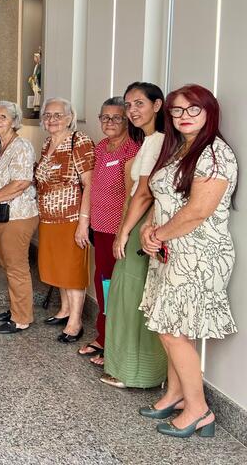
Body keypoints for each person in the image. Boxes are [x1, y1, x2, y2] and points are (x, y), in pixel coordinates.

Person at [138, 84, 237, 438]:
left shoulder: (214, 154)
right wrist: (149, 229)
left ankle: (200, 411)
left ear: (209, 112)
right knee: (170, 326)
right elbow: (161, 196)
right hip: (171, 249)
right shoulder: (181, 147)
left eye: (193, 110)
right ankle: (177, 394)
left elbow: (198, 212)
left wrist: (158, 234)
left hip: (199, 254)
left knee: (174, 331)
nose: (184, 117)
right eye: (178, 111)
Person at [102, 82, 167, 388]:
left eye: (139, 103)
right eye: (129, 105)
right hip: (141, 222)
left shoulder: (157, 142)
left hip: (140, 225)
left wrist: (123, 233)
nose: (132, 111)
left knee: (129, 297)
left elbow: (143, 194)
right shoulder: (152, 140)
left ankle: (133, 373)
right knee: (130, 296)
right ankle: (136, 370)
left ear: (157, 105)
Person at [81, 98, 140, 361]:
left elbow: (132, 195)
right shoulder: (102, 146)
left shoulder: (132, 150)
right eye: (104, 117)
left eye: (116, 117)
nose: (109, 122)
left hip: (118, 233)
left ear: (127, 121)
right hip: (99, 229)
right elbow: (92, 187)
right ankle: (104, 337)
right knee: (103, 283)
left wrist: (122, 232)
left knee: (115, 288)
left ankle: (113, 346)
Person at [34, 98, 94, 343]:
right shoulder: (48, 143)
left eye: (58, 115)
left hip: (71, 217)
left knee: (72, 269)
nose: (52, 119)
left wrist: (84, 222)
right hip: (48, 218)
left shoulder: (79, 140)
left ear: (70, 117)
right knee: (58, 267)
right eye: (48, 115)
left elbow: (89, 183)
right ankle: (65, 309)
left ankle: (75, 321)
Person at [0, 101, 38, 334]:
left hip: (18, 216)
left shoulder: (21, 145)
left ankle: (22, 318)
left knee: (16, 268)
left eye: (3, 117)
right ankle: (16, 309)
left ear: (14, 121)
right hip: (3, 216)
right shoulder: (3, 146)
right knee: (7, 263)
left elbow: (21, 182)